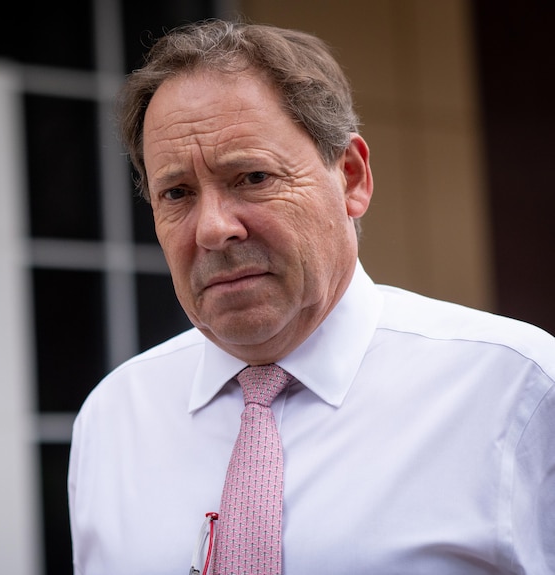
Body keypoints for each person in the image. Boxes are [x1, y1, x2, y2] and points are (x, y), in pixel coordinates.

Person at [67, 19, 555, 575]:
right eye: (177, 193)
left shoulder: (518, 392)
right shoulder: (114, 418)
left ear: (350, 177)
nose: (212, 228)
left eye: (251, 177)